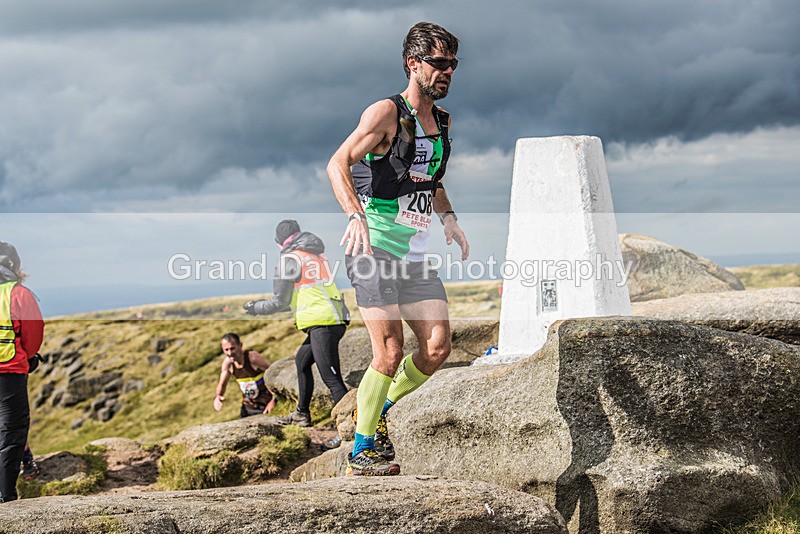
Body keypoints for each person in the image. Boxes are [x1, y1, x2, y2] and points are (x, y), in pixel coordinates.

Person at [326, 22, 469, 476]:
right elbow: (337, 162)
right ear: (413, 64)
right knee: (388, 352)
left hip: (413, 255)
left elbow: (432, 177)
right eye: (439, 63)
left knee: (437, 347)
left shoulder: (442, 121)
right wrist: (354, 215)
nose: (447, 72)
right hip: (373, 250)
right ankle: (362, 450)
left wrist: (449, 218)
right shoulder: (386, 113)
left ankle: (376, 409)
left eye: (453, 64)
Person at [244, 220, 350, 432]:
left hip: (323, 323)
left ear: (279, 242)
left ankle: (353, 431)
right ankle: (302, 413)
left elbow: (279, 301)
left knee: (333, 381)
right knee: (302, 362)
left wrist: (255, 307)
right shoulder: (314, 254)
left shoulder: (289, 259)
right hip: (331, 317)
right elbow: (304, 295)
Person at [0, 242, 44, 502]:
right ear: (14, 265)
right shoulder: (18, 294)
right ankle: (5, 495)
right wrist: (27, 359)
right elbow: (33, 336)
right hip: (9, 373)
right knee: (11, 432)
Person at [213, 333, 277, 418]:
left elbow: (275, 376)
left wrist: (274, 400)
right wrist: (218, 396)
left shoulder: (253, 358)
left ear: (240, 345)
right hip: (248, 407)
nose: (230, 353)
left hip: (266, 405)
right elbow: (222, 384)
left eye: (233, 348)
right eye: (226, 350)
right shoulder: (228, 363)